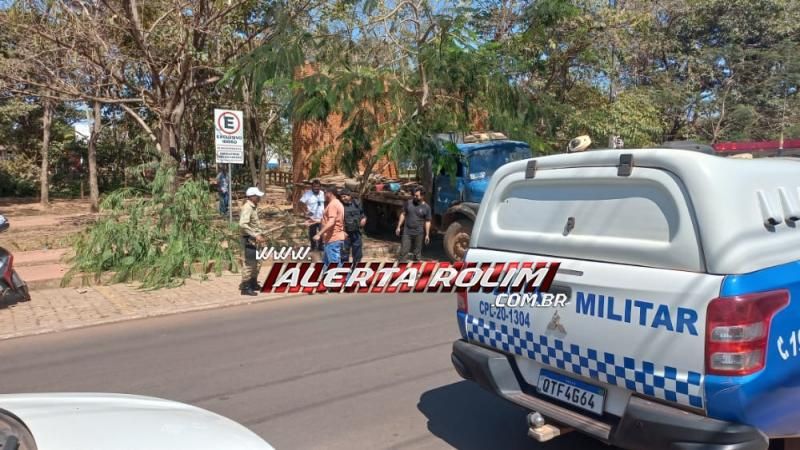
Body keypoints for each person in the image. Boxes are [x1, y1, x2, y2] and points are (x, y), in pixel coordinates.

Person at [239, 187, 266, 296]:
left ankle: (253, 282)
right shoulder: (247, 207)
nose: (259, 197)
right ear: (252, 197)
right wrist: (255, 235)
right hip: (248, 239)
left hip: (255, 240)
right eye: (257, 196)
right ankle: (245, 287)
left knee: (257, 262)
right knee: (250, 263)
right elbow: (242, 224)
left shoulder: (253, 207)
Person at [313, 187, 346, 270]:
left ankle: (348, 281)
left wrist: (319, 234)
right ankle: (325, 281)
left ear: (330, 193)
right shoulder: (337, 203)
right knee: (326, 265)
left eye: (325, 193)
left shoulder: (333, 205)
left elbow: (332, 221)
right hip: (330, 240)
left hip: (333, 239)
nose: (323, 195)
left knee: (335, 265)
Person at [396, 187, 431, 262]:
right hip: (407, 232)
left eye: (417, 196)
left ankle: (416, 270)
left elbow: (428, 221)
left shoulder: (426, 207)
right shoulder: (408, 203)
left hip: (419, 233)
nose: (415, 197)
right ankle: (401, 268)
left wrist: (427, 234)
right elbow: (403, 214)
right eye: (414, 195)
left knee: (417, 255)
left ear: (422, 196)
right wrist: (398, 226)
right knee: (403, 252)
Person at [340, 189, 366, 266]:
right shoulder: (340, 206)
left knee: (357, 255)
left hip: (356, 233)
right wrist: (342, 231)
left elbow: (362, 214)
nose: (343, 198)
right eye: (342, 197)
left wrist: (364, 219)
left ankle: (355, 271)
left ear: (350, 196)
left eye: (345, 196)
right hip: (345, 234)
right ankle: (344, 272)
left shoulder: (357, 204)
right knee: (344, 255)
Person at [300, 179, 325, 252]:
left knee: (322, 232)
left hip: (321, 218)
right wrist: (305, 212)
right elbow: (300, 203)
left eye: (318, 186)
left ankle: (320, 246)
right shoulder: (308, 194)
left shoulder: (322, 193)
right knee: (312, 233)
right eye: (314, 186)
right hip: (312, 218)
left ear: (320, 187)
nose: (316, 188)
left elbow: (326, 203)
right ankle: (313, 247)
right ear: (312, 187)